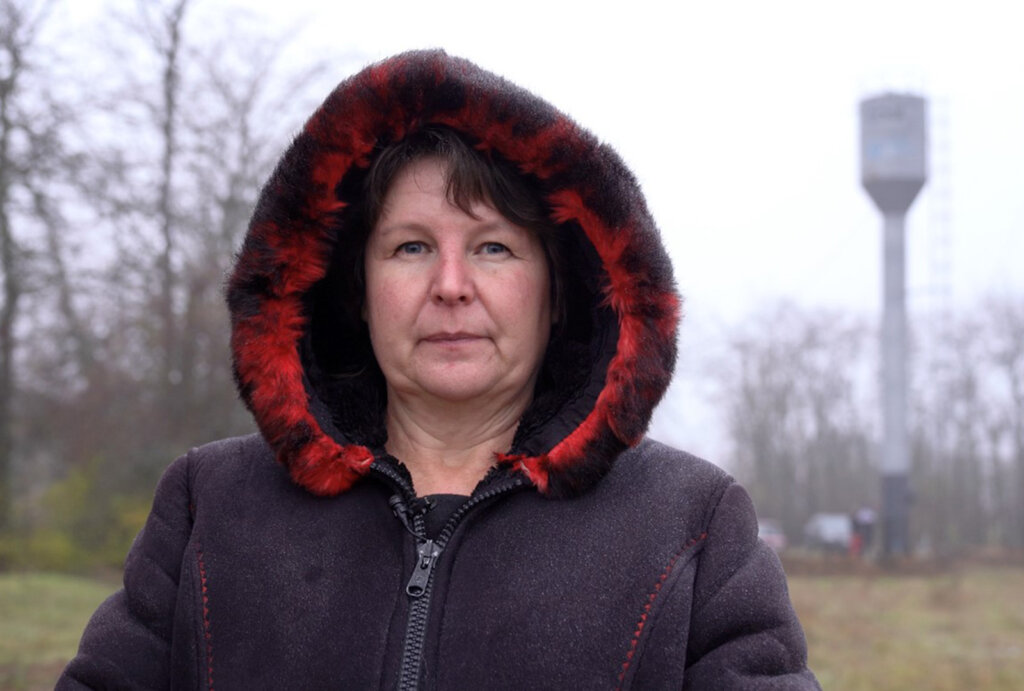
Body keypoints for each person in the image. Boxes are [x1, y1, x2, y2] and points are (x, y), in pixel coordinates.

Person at [59, 50, 819, 689]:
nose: (451, 285)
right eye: (411, 247)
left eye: (493, 246)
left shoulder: (691, 526)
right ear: (355, 291)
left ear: (559, 295)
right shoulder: (211, 507)